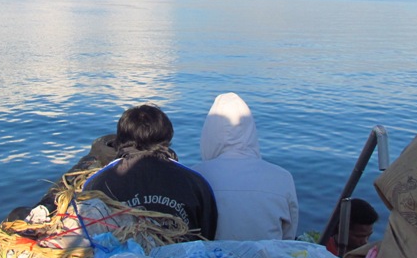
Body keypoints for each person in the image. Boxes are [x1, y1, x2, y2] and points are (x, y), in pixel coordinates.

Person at [85, 104, 218, 240]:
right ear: (167, 137)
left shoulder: (97, 183)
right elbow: (207, 235)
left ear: (120, 140)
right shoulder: (195, 183)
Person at [191, 92, 299, 240]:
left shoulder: (194, 177)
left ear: (209, 132)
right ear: (251, 130)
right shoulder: (282, 177)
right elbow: (288, 237)